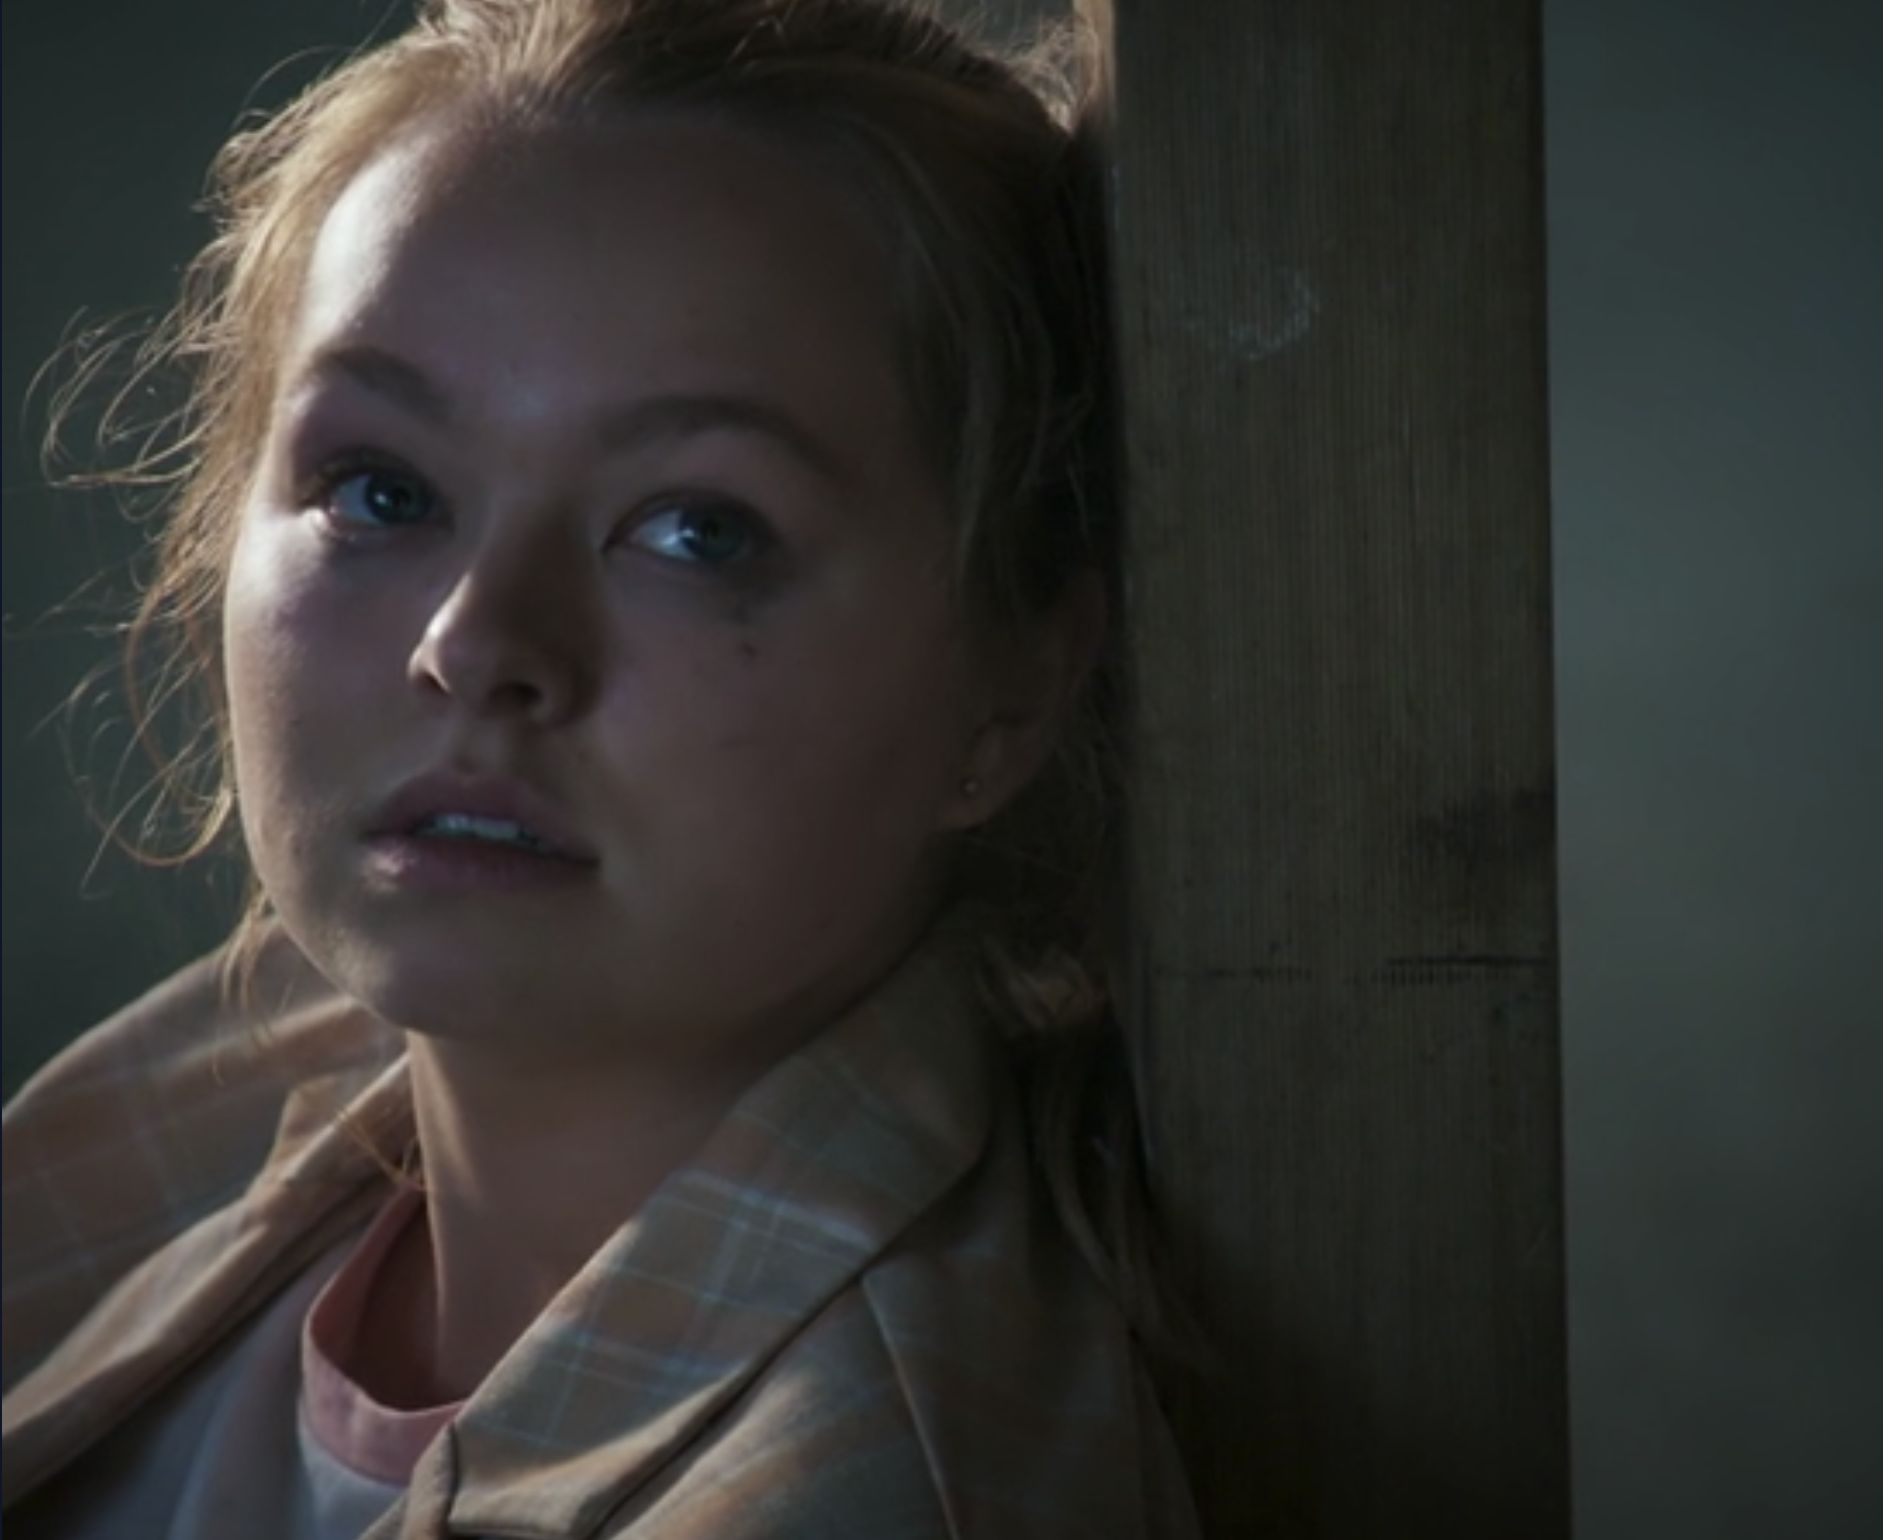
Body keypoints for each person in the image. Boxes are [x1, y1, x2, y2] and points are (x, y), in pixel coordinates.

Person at [0, 0, 1200, 1533]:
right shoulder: (229, 1089)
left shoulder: (863, 1488)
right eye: (379, 489)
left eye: (697, 528)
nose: (476, 643)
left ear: (1010, 690)